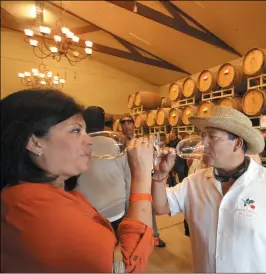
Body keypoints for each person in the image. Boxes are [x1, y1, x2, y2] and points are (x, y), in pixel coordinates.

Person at [0, 88, 155, 272]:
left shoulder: (45, 193)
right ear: (35, 143)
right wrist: (143, 174)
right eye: (75, 130)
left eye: (85, 131)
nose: (89, 140)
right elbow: (129, 267)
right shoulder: (37, 210)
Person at [151, 106, 266, 273]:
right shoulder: (195, 182)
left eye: (212, 137)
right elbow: (160, 206)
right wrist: (159, 175)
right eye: (203, 137)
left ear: (237, 144)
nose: (203, 144)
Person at [77, 106, 131, 236]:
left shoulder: (77, 145)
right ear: (103, 123)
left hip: (87, 211)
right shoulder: (115, 143)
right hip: (116, 209)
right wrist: (128, 204)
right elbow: (127, 177)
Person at [119, 114, 166, 248]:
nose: (126, 125)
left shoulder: (140, 142)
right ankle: (133, 240)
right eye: (124, 122)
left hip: (142, 181)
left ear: (134, 125)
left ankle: (154, 236)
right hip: (125, 184)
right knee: (129, 214)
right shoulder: (118, 144)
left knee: (148, 208)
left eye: (129, 122)